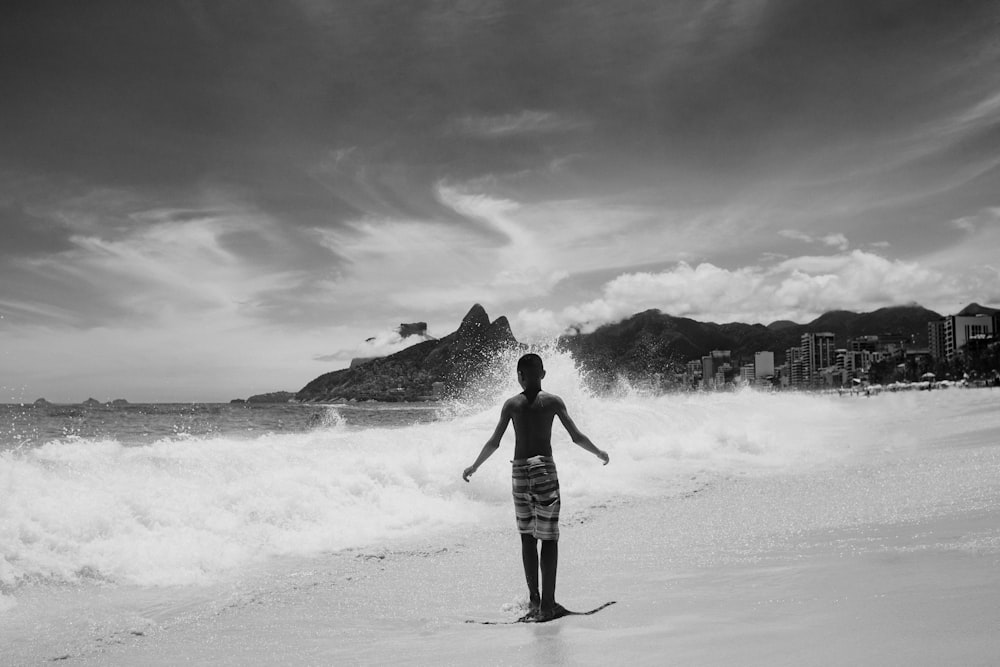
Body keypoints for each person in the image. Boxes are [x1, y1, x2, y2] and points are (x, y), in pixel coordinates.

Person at [462, 353, 609, 621]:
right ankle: (548, 606)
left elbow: (494, 442)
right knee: (549, 538)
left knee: (527, 536)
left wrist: (474, 466)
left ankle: (534, 600)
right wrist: (598, 452)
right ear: (543, 374)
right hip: (543, 470)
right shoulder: (552, 401)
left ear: (519, 376)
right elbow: (576, 437)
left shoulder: (511, 405)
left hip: (519, 471)